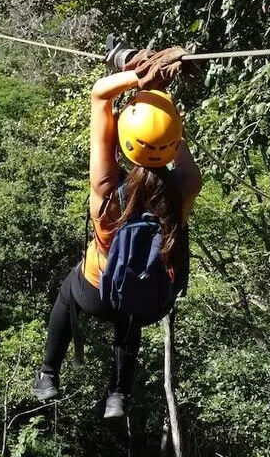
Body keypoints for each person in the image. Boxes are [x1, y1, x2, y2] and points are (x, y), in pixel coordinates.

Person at [31, 48, 202, 418]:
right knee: (130, 315)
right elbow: (177, 141)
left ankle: (48, 375)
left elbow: (99, 94)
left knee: (67, 293)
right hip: (151, 298)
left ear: (127, 140)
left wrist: (139, 79)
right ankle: (117, 395)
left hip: (95, 290)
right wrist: (167, 111)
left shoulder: (106, 189)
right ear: (172, 139)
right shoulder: (185, 189)